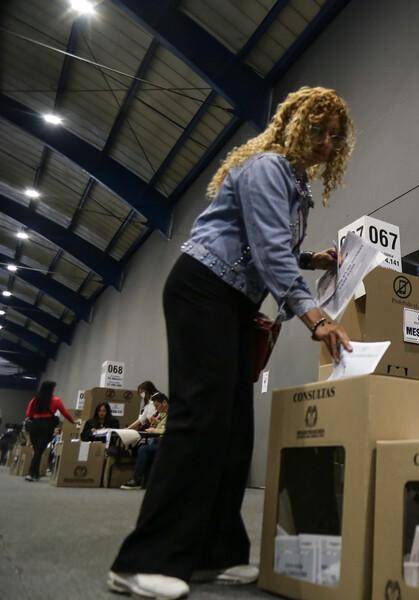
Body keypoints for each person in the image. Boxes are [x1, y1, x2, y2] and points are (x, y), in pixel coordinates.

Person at [108, 86, 355, 600]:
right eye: (318, 130)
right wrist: (316, 319)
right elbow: (267, 250)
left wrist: (313, 260)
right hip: (203, 288)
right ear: (293, 126)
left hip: (235, 301)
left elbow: (272, 243)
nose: (327, 143)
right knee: (199, 419)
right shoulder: (267, 168)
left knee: (235, 429)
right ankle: (140, 560)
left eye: (335, 136)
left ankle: (215, 553)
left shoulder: (293, 184)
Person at [24, 381, 75, 482]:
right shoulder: (56, 400)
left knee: (37, 450)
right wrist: (73, 422)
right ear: (51, 389)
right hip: (46, 426)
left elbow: (28, 413)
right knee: (39, 451)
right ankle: (30, 473)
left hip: (34, 425)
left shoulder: (35, 399)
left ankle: (35, 474)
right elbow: (64, 413)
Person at [120, 394, 168, 491]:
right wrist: (155, 425)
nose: (156, 409)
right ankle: (143, 480)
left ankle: (136, 480)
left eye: (157, 406)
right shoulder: (162, 415)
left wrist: (155, 431)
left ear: (164, 403)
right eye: (154, 406)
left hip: (168, 443)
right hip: (158, 441)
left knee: (144, 449)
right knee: (142, 446)